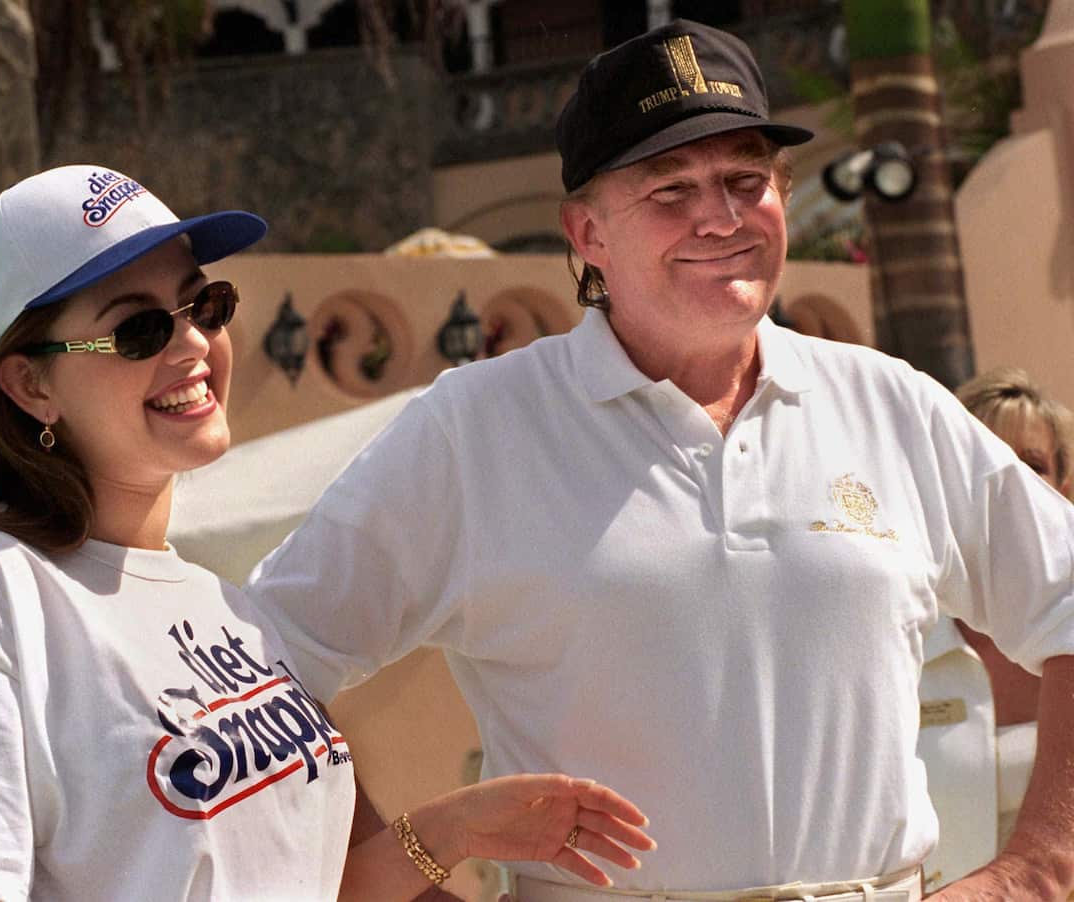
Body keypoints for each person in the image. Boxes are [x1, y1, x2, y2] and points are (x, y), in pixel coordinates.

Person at [243, 19, 1074, 902]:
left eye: (746, 180)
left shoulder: (891, 403)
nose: (720, 216)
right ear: (586, 233)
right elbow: (257, 669)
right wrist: (410, 878)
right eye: (670, 189)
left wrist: (1037, 870)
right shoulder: (473, 430)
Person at [0, 165, 655, 902]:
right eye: (138, 329)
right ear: (31, 384)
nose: (193, 342)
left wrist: (455, 828)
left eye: (204, 304)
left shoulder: (223, 608)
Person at [917, 367, 1074, 892]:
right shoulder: (898, 639)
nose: (1013, 487)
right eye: (988, 463)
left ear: (1063, 489)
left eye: (1032, 466)